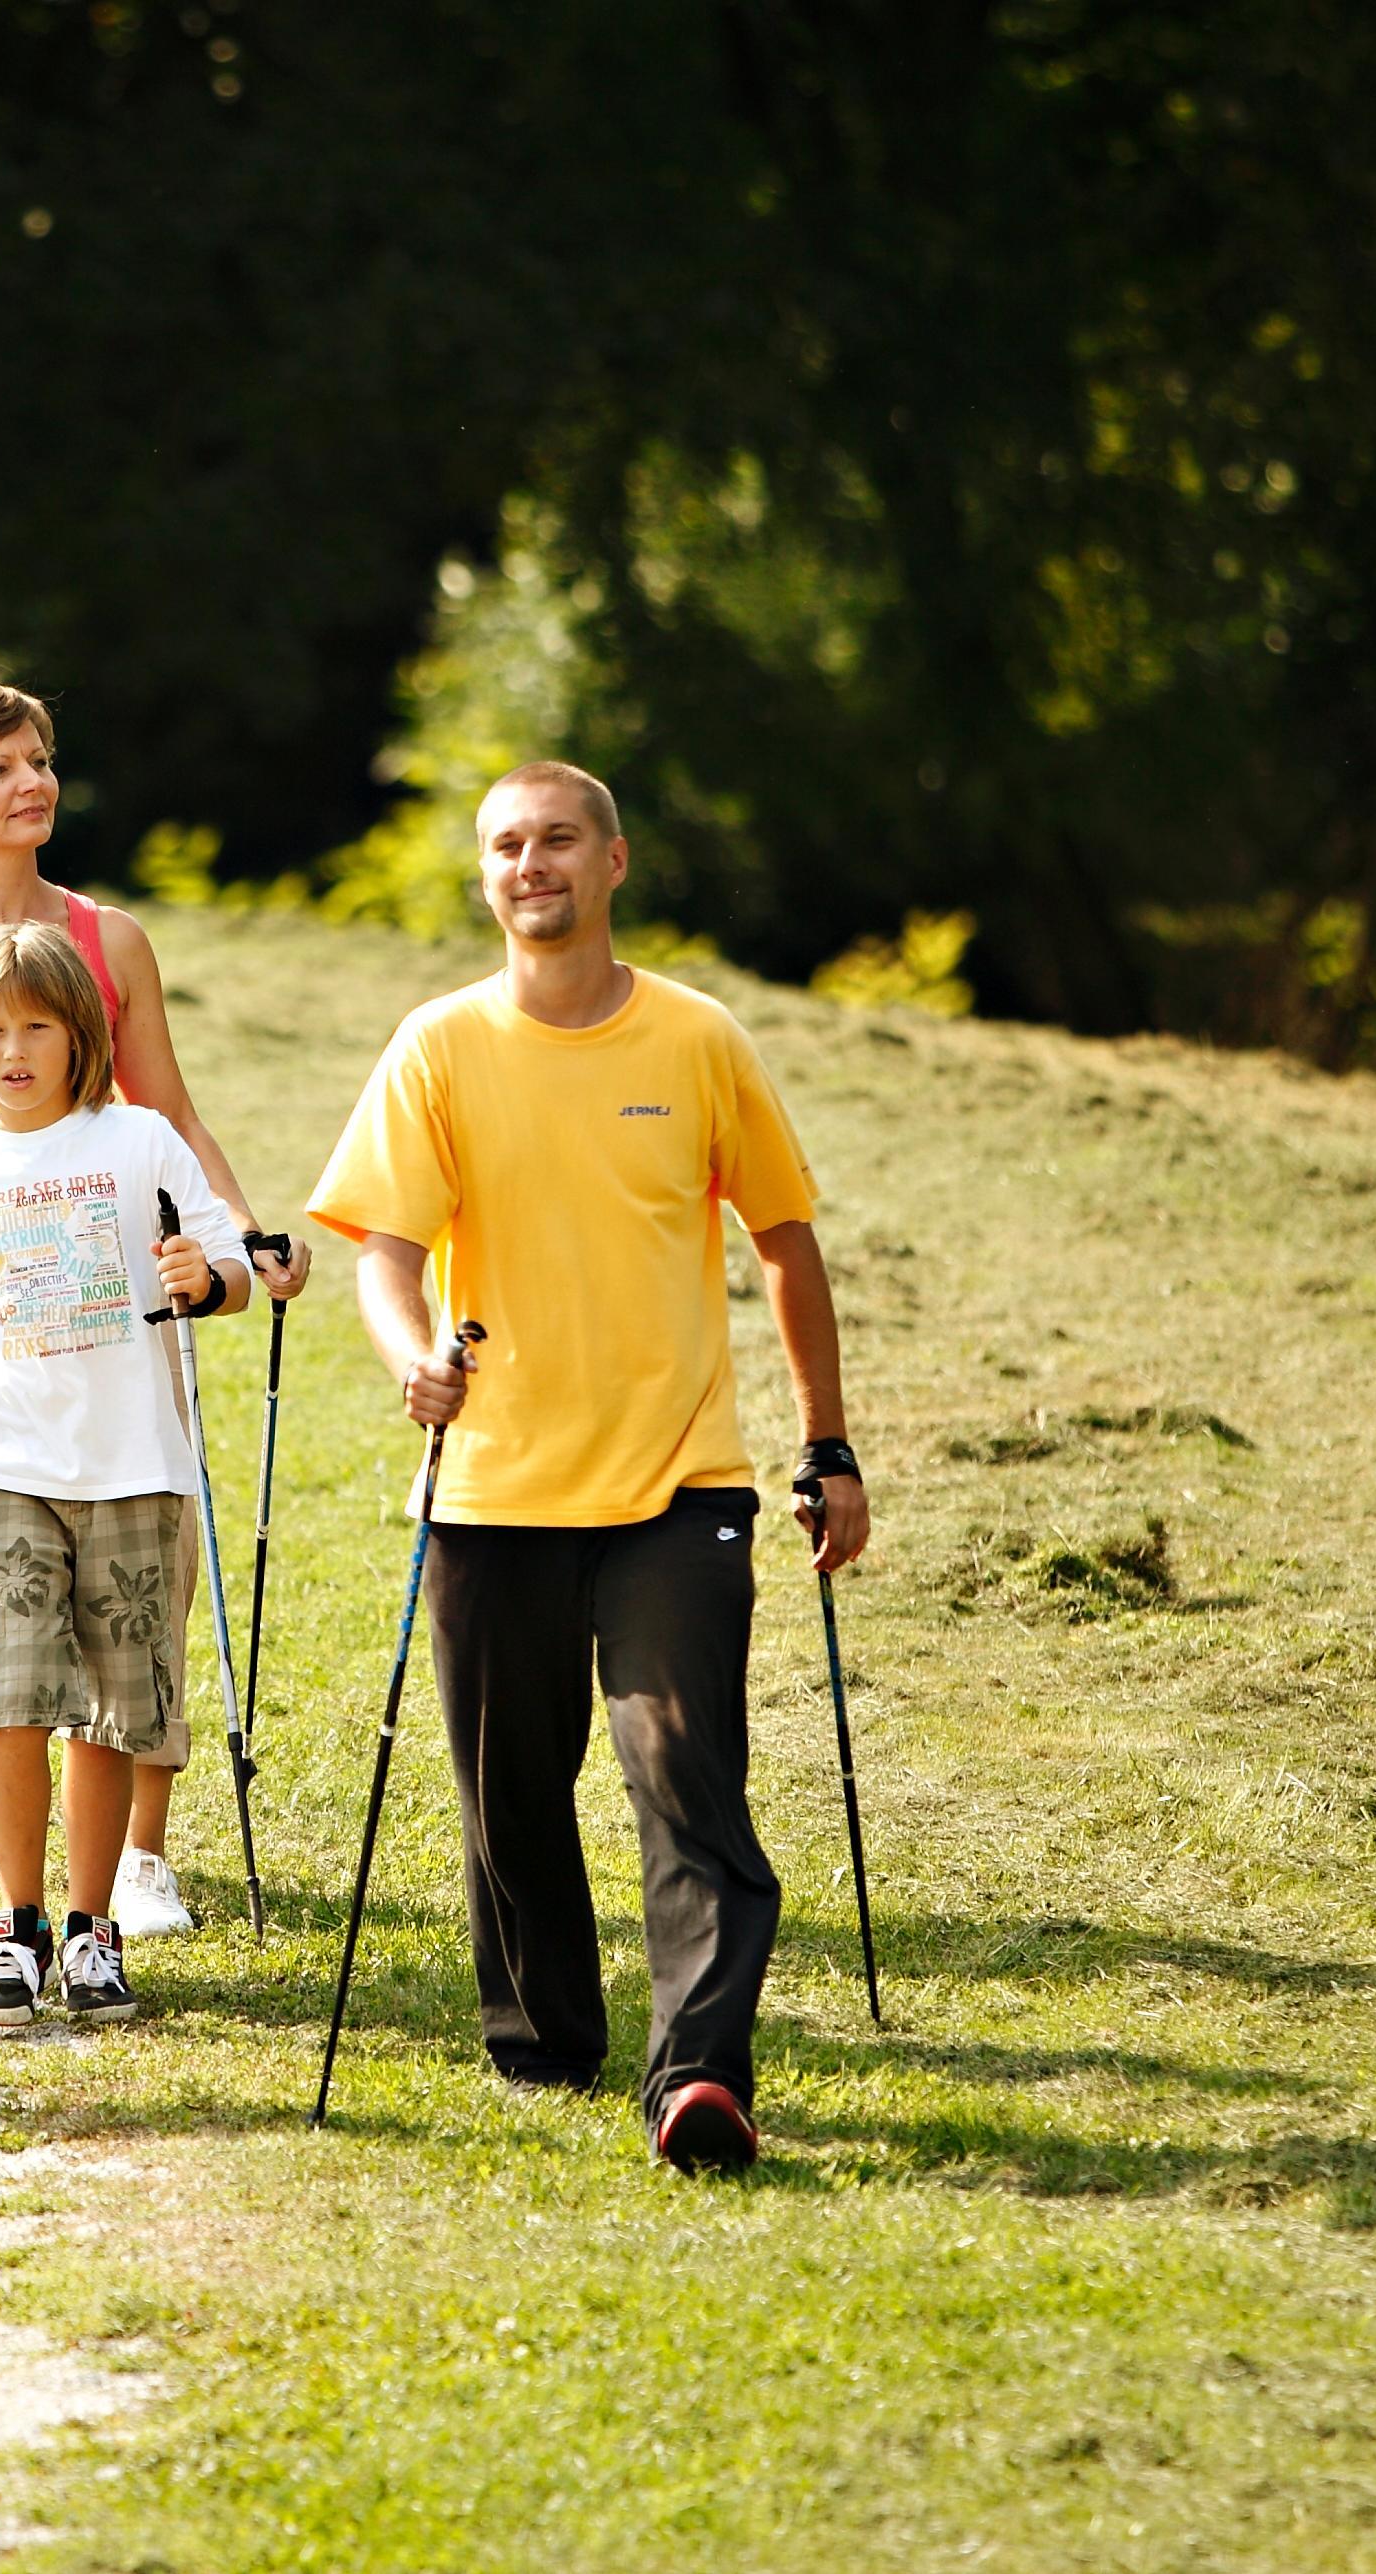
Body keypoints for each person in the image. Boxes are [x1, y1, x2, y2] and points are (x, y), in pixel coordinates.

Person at [307, 760, 872, 2176]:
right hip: (493, 1484)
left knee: (682, 1768)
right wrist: (409, 1355)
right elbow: (379, 1248)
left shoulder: (697, 1040)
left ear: (613, 861)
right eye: (507, 845)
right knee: (511, 1788)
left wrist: (829, 1444)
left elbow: (785, 1239)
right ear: (485, 874)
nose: (532, 863)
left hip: (682, 1481)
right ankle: (545, 2040)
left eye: (559, 839)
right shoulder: (438, 1045)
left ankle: (700, 2075)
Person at [0, 673, 307, 1940]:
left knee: (137, 1567)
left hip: (115, 1262)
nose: (32, 783)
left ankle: (140, 1858)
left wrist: (240, 1238)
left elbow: (172, 1116)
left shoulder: (111, 939)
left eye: (39, 760)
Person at [0, 922, 251, 2028]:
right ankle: (18, 1924)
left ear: (82, 1034)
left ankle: (93, 1930)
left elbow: (229, 1262)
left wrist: (207, 1279)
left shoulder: (139, 1144)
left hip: (134, 1467)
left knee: (108, 1708)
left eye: (38, 1025)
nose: (14, 1049)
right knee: (6, 1696)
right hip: (3, 1469)